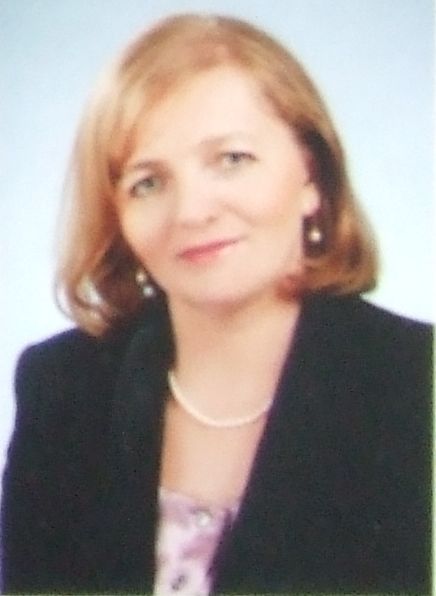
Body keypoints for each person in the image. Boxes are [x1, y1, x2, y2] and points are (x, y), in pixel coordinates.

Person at [1, 12, 432, 596]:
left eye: (231, 159)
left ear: (311, 176)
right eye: (148, 182)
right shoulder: (64, 389)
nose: (192, 211)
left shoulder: (417, 382)